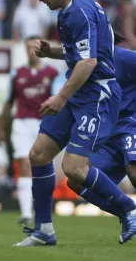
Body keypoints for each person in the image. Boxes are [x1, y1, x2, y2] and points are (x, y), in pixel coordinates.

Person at [14, 0, 136, 247]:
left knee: (74, 167)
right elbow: (81, 52)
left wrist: (60, 97)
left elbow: (90, 62)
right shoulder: (71, 9)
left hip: (96, 95)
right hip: (80, 90)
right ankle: (44, 229)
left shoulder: (79, 10)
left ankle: (129, 210)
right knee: (39, 154)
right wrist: (53, 51)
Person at [66, 37, 136, 244]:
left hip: (130, 124)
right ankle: (128, 214)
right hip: (107, 130)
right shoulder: (87, 63)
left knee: (134, 171)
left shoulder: (124, 57)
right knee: (75, 180)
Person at [0, 35, 58, 225]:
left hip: (44, 124)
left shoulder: (53, 73)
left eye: (35, 47)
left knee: (42, 166)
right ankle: (25, 213)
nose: (31, 50)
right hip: (22, 123)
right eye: (28, 47)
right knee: (24, 164)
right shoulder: (17, 73)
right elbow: (9, 101)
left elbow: (59, 100)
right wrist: (0, 126)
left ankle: (42, 208)